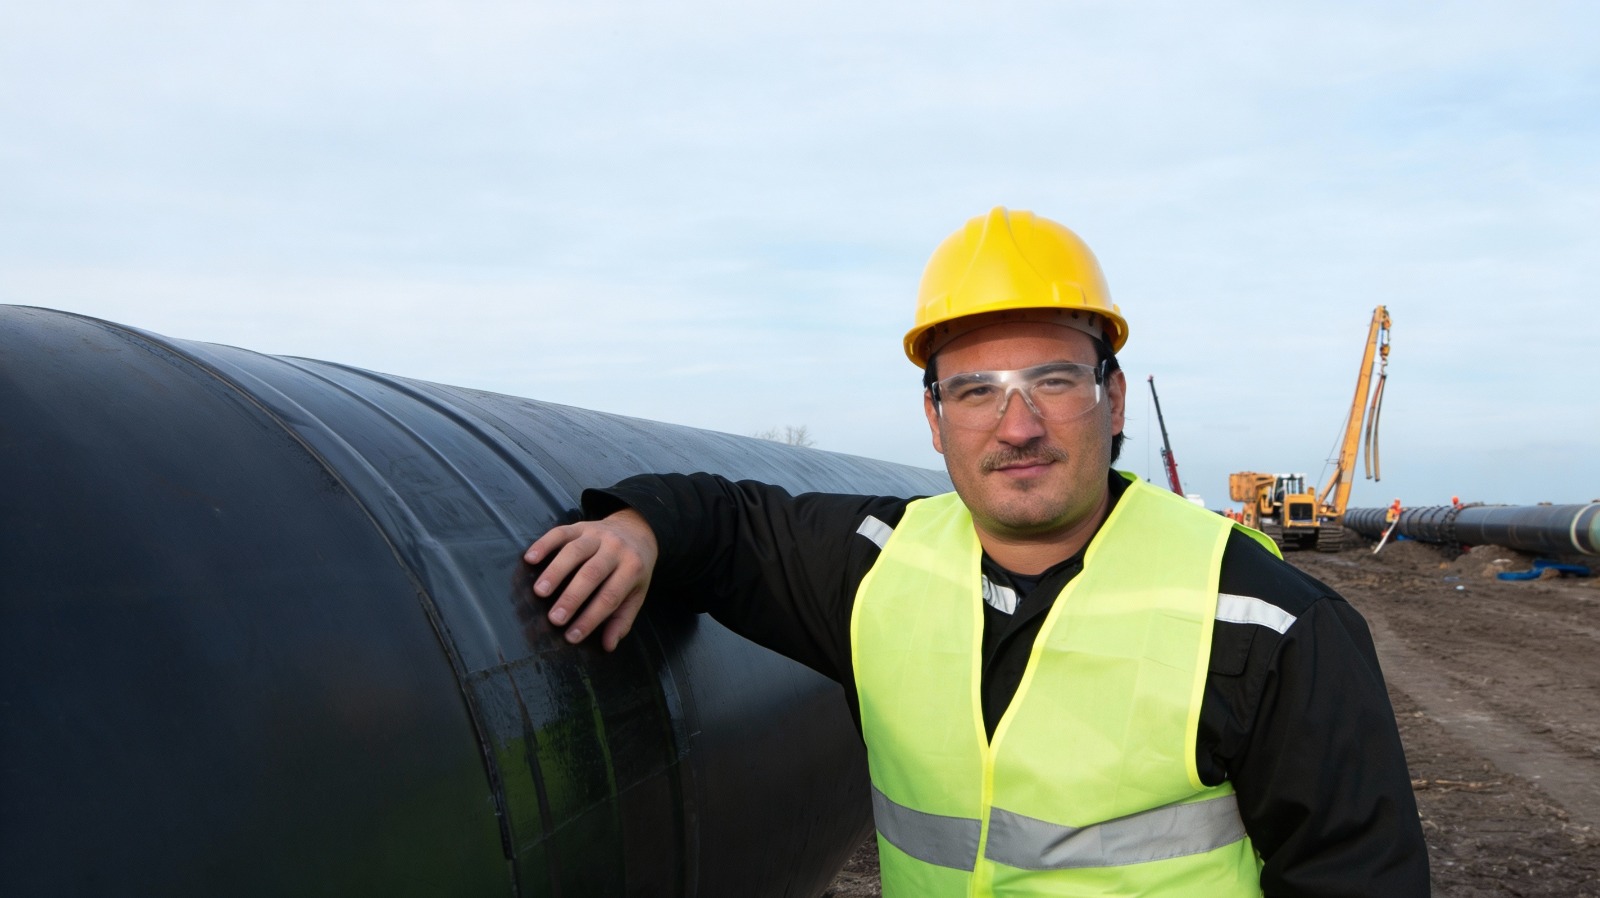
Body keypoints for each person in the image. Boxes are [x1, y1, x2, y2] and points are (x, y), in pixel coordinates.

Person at [525, 207, 1430, 896]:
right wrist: (635, 528)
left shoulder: (1267, 623)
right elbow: (727, 523)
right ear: (934, 418)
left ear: (1114, 400)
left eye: (1054, 381)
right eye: (975, 391)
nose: (1017, 424)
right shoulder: (879, 566)